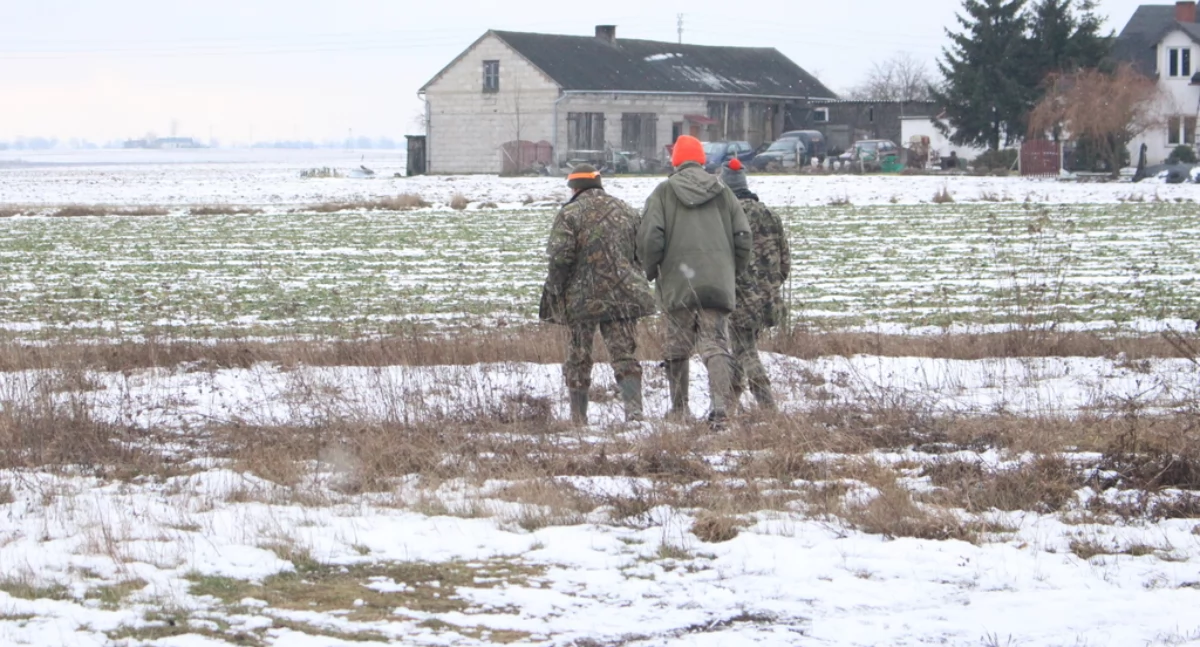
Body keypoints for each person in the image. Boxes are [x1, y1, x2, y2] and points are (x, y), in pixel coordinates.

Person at [637, 135, 752, 428]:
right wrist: (730, 270)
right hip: (717, 282)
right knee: (715, 345)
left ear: (675, 161)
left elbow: (651, 237)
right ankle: (721, 411)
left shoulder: (663, 192)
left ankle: (679, 409)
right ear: (702, 159)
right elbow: (743, 236)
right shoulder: (724, 192)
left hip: (678, 282)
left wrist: (652, 270)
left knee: (677, 347)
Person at [540, 164, 656, 424]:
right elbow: (643, 252)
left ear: (574, 187)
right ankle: (634, 414)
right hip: (623, 296)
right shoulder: (626, 210)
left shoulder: (569, 214)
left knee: (578, 356)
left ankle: (578, 419)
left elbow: (560, 257)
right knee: (625, 355)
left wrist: (555, 290)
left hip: (582, 300)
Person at [720, 158, 791, 412]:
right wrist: (769, 287)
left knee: (744, 349)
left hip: (740, 295)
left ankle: (767, 405)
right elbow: (785, 263)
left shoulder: (727, 215)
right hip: (768, 298)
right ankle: (728, 408)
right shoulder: (770, 214)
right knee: (742, 347)